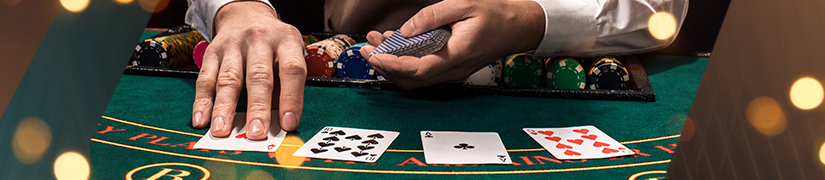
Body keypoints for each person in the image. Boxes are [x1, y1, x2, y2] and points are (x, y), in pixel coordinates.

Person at [185, 0, 688, 140]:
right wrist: (237, 8)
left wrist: (529, 19)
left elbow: (659, 8)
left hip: (545, 85)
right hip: (352, 79)